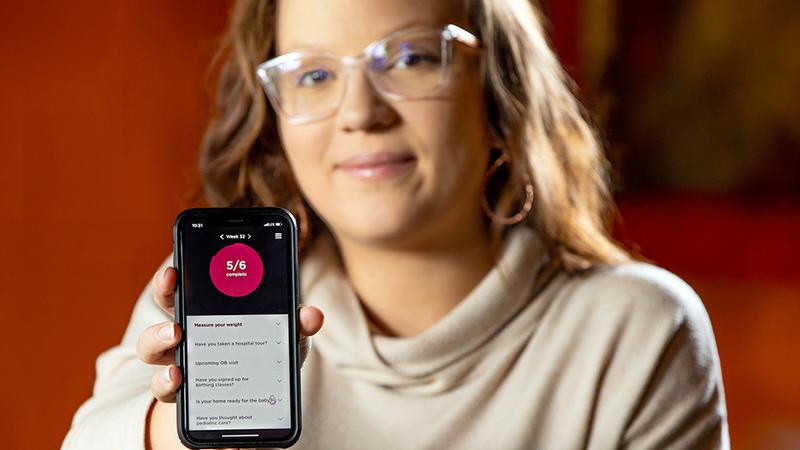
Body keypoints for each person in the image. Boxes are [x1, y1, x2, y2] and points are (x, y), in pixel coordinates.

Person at [63, 0, 729, 448]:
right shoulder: (209, 314)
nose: (359, 112)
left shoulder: (638, 333)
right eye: (314, 74)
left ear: (499, 96)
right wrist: (176, 434)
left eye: (410, 58)